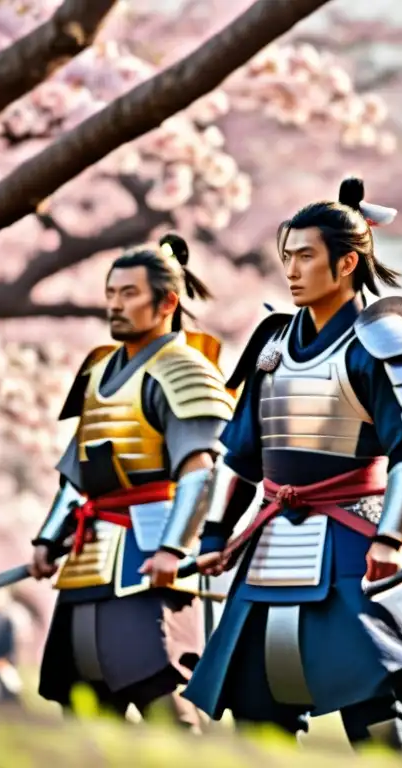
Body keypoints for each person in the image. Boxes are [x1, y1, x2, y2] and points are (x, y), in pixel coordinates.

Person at [180, 178, 402, 764]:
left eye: (306, 257)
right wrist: (217, 536)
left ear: (347, 261)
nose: (292, 270)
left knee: (380, 719)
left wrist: (392, 538)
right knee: (257, 718)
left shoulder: (384, 343)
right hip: (270, 548)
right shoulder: (272, 343)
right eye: (287, 256)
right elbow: (243, 457)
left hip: (356, 543)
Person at [28, 234, 235, 730]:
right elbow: (77, 473)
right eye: (111, 293)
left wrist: (173, 547)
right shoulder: (98, 370)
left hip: (147, 553)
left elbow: (198, 470)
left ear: (167, 302)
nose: (115, 306)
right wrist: (47, 538)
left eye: (129, 294)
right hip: (87, 554)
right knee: (81, 697)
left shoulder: (186, 370)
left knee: (159, 688)